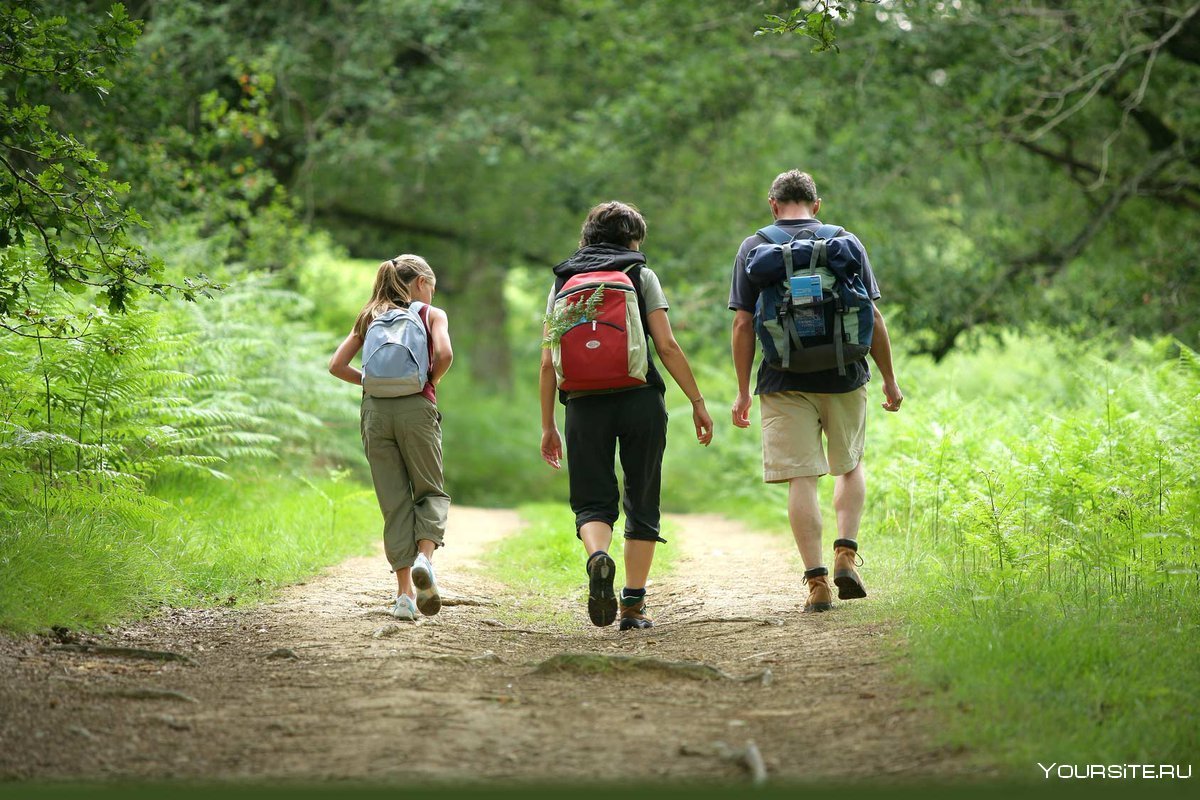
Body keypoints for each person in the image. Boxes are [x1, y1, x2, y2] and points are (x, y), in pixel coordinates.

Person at [728, 170, 903, 613]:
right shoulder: (845, 242)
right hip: (845, 374)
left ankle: (818, 583)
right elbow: (873, 316)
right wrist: (889, 379)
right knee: (849, 464)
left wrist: (743, 391)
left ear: (772, 204)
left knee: (802, 478)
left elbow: (744, 323)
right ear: (816, 205)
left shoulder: (754, 248)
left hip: (783, 379)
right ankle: (846, 553)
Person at [539, 201, 713, 630]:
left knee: (592, 499)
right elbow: (667, 346)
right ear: (634, 239)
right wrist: (696, 400)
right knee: (642, 495)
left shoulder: (564, 280)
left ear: (588, 235)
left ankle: (599, 556)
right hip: (640, 399)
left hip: (582, 404)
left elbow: (548, 362)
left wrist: (548, 425)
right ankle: (633, 605)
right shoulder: (640, 275)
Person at [328, 255, 453, 620]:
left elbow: (336, 365)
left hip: (375, 413)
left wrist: (369, 382)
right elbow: (444, 353)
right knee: (430, 491)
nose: (431, 293)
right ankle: (425, 561)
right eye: (431, 286)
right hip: (416, 408)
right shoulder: (431, 315)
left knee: (394, 502)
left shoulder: (369, 316)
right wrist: (430, 380)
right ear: (420, 284)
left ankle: (403, 598)